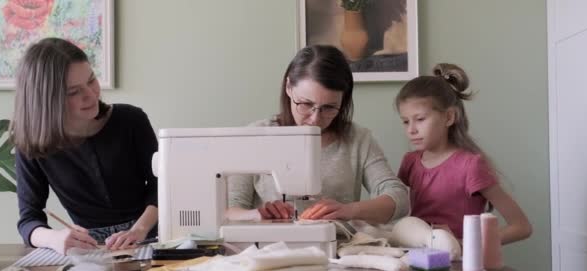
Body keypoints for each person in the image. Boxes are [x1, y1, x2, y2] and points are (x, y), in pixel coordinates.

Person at [228, 45, 409, 225]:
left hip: (337, 249)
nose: (315, 119)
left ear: (343, 100)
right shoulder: (255, 137)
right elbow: (229, 210)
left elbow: (399, 198)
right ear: (289, 87)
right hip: (268, 248)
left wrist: (349, 210)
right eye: (306, 104)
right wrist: (256, 214)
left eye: (329, 108)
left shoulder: (358, 140)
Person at [11, 38, 158, 254]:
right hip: (91, 251)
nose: (90, 95)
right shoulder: (32, 142)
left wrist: (139, 229)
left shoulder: (131, 120)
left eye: (91, 80)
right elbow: (29, 219)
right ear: (47, 100)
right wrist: (54, 238)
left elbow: (162, 186)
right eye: (73, 92)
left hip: (151, 237)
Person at [396, 63, 532, 244]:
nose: (411, 129)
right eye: (405, 121)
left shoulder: (470, 165)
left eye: (420, 119)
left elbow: (521, 227)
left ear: (449, 117)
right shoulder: (410, 162)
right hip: (419, 262)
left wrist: (460, 243)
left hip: (461, 266)